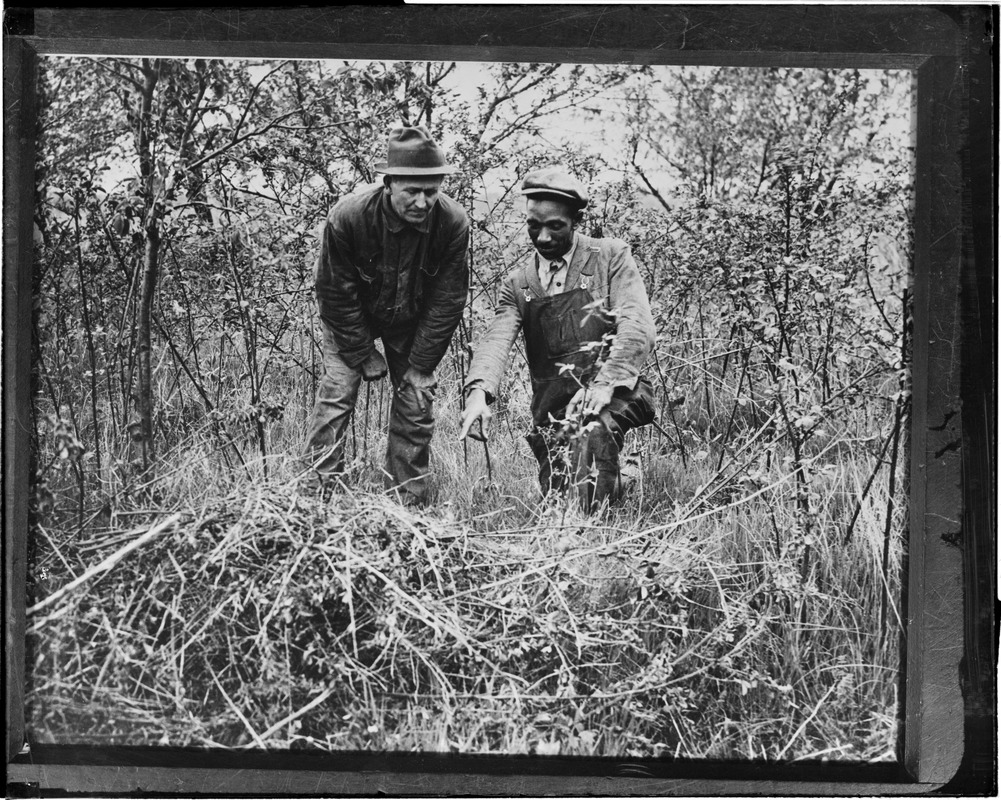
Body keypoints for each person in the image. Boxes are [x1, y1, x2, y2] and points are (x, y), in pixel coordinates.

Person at [459, 166, 656, 513]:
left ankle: (599, 526)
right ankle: (625, 478)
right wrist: (478, 394)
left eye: (555, 226)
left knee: (594, 439)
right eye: (534, 226)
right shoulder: (518, 284)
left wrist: (603, 383)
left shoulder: (610, 256)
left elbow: (637, 324)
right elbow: (495, 341)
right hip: (553, 411)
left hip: (615, 393)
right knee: (561, 500)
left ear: (576, 221)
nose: (544, 238)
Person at [303, 125, 470, 506]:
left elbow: (447, 299)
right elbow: (333, 292)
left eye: (432, 191)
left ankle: (406, 506)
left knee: (416, 400)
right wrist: (362, 353)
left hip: (411, 323)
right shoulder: (348, 216)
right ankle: (315, 501)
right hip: (352, 321)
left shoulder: (453, 222)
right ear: (389, 183)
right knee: (336, 397)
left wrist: (421, 363)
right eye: (412, 191)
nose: (423, 202)